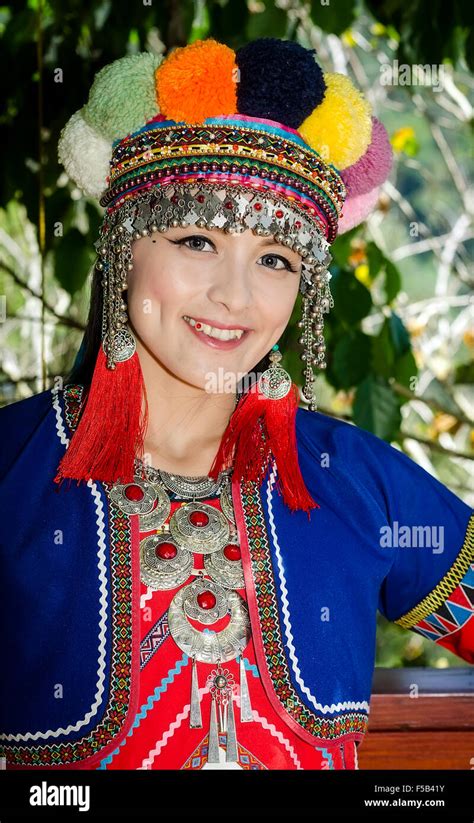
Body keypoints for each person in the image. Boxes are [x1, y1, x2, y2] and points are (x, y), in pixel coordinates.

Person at [0, 37, 472, 772]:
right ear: (123, 246)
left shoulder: (355, 479)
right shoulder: (12, 469)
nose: (236, 296)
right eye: (197, 238)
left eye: (276, 259)